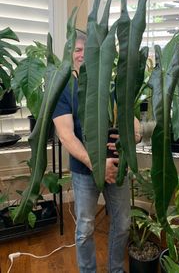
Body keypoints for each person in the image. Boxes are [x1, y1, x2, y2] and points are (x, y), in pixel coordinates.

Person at [52, 29, 141, 273]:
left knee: (122, 224)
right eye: (77, 50)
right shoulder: (64, 90)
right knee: (85, 228)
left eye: (87, 50)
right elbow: (66, 136)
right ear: (71, 55)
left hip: (117, 166)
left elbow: (136, 128)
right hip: (84, 170)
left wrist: (130, 136)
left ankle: (116, 270)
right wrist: (98, 164)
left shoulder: (111, 86)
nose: (82, 55)